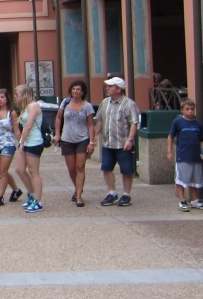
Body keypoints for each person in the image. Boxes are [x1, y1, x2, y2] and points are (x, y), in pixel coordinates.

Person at [94, 77, 141, 207]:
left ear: (118, 89)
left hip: (123, 143)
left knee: (126, 170)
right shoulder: (105, 102)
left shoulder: (129, 104)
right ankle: (112, 192)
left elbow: (133, 123)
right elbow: (100, 120)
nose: (107, 88)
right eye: (107, 86)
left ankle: (126, 194)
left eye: (110, 86)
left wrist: (130, 139)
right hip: (107, 142)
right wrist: (95, 135)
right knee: (106, 168)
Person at [53, 80, 95, 207]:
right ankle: (77, 188)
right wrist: (57, 134)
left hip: (82, 139)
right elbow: (58, 118)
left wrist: (91, 142)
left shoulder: (87, 106)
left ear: (82, 92)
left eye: (78, 89)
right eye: (73, 89)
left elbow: (90, 125)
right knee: (71, 168)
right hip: (67, 139)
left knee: (80, 167)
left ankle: (79, 196)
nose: (75, 91)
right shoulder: (65, 103)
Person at [167, 98, 203, 212]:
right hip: (183, 155)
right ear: (182, 110)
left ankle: (195, 200)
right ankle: (182, 200)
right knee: (181, 179)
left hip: (196, 156)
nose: (190, 111)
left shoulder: (198, 124)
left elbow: (202, 140)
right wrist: (169, 151)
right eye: (187, 109)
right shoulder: (178, 122)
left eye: (192, 109)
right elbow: (170, 136)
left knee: (194, 179)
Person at [14, 84, 45, 213]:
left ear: (24, 95)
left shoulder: (33, 106)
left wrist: (21, 142)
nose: (15, 97)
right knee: (19, 168)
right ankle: (31, 193)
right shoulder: (25, 107)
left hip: (34, 142)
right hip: (25, 141)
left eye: (17, 95)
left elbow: (28, 126)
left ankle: (38, 200)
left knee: (33, 172)